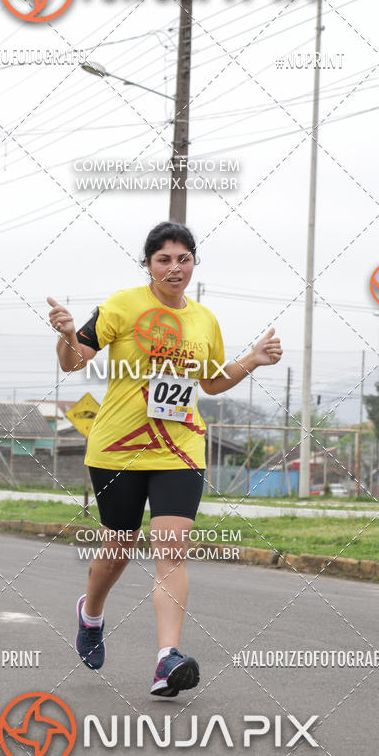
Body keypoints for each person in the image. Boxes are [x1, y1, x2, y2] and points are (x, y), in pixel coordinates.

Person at [47, 221, 282, 697]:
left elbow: (213, 381)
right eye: (164, 260)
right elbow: (73, 361)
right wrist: (68, 334)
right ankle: (90, 614)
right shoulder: (123, 305)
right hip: (118, 447)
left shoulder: (204, 320)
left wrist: (252, 359)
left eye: (184, 259)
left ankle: (166, 659)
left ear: (194, 262)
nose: (175, 268)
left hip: (180, 448)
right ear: (149, 265)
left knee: (170, 550)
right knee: (118, 548)